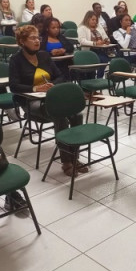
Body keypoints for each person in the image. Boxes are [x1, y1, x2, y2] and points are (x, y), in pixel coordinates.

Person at [9, 25, 88, 177]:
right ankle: (67, 162)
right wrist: (35, 88)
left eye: (38, 38)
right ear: (22, 41)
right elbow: (13, 86)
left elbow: (60, 76)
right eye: (32, 38)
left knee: (77, 115)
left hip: (51, 97)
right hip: (29, 101)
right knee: (60, 116)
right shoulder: (16, 60)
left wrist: (52, 84)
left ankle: (74, 156)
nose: (37, 41)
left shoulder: (44, 56)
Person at [77, 10, 111, 78]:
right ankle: (97, 77)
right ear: (87, 19)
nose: (95, 21)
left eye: (96, 20)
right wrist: (94, 43)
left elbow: (106, 37)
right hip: (89, 51)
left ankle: (99, 77)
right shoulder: (82, 28)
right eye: (93, 19)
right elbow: (82, 41)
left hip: (100, 50)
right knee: (102, 59)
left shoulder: (99, 27)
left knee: (105, 59)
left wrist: (106, 40)